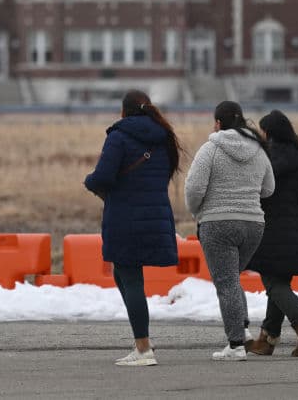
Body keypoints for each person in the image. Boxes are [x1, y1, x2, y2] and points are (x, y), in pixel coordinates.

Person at [84, 89, 185, 367]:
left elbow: (103, 176)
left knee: (130, 278)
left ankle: (143, 348)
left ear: (123, 111)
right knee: (124, 274)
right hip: (156, 214)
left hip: (126, 216)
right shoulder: (164, 137)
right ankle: (142, 340)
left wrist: (89, 181)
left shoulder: (118, 136)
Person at [184, 101, 275, 361]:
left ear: (218, 123)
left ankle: (235, 345)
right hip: (254, 225)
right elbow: (269, 188)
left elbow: (194, 188)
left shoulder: (210, 149)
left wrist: (196, 211)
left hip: (218, 223)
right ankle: (243, 332)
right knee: (232, 279)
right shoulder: (259, 150)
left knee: (226, 282)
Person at [245, 109, 298, 357]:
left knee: (273, 284)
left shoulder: (264, 161)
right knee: (278, 284)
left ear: (268, 133)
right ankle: (267, 339)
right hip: (295, 234)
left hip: (269, 233)